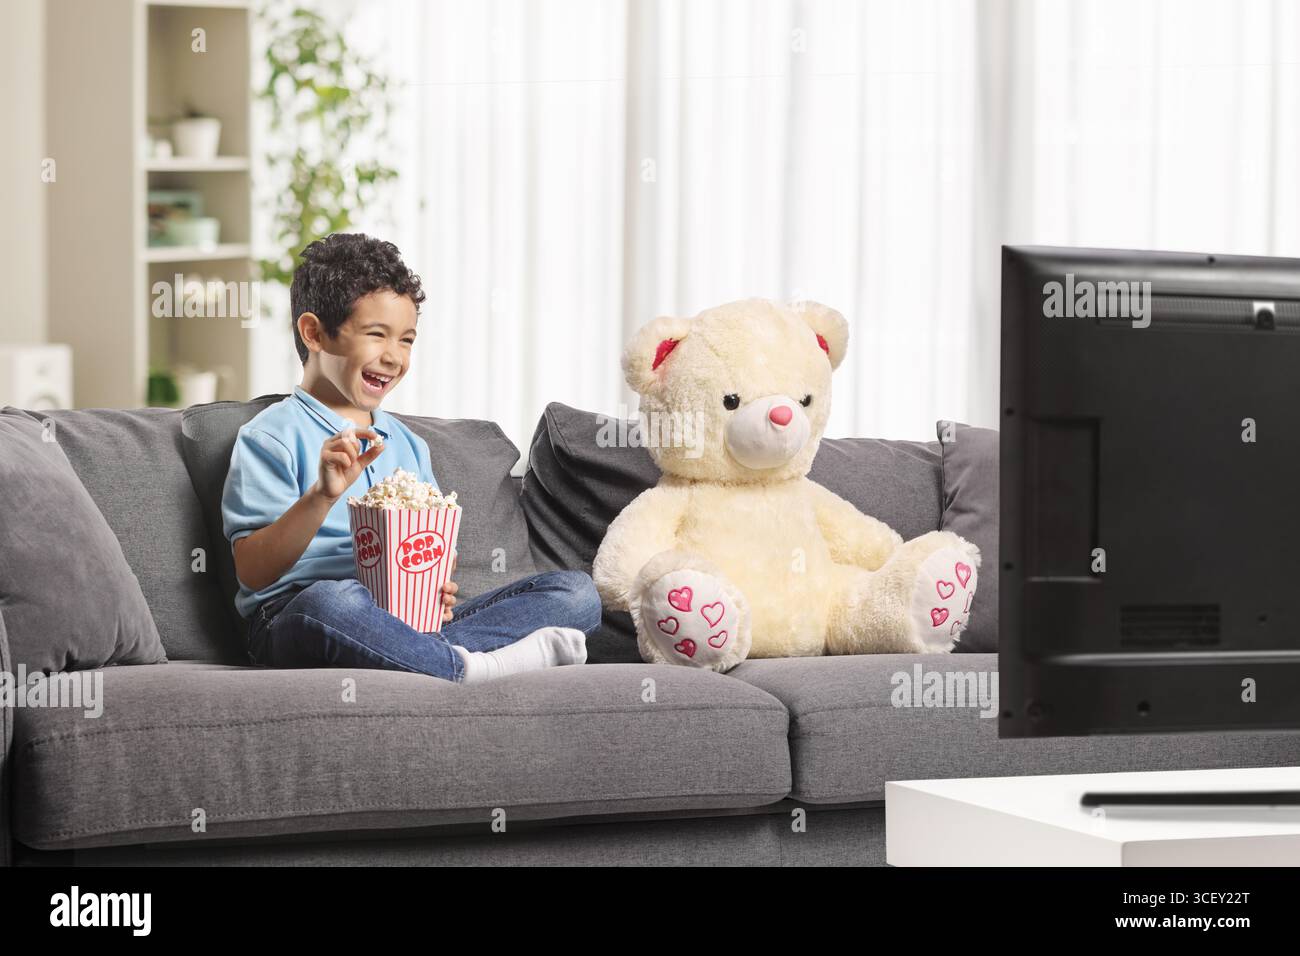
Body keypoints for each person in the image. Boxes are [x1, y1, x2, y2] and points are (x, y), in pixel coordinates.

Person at [221, 233, 600, 683]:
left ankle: (426, 657)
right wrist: (321, 496)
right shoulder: (270, 436)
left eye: (406, 340)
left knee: (576, 593)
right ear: (314, 333)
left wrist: (433, 583)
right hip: (296, 617)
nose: (393, 357)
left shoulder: (407, 445)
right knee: (334, 600)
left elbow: (427, 549)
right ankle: (472, 665)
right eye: (376, 335)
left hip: (404, 620)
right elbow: (253, 571)